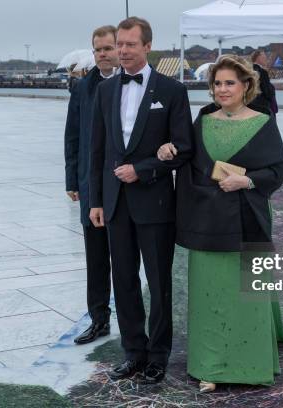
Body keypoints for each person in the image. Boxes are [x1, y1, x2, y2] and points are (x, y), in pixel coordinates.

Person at [157, 54, 283, 392]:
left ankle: (251, 364)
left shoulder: (262, 122)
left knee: (247, 294)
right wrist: (168, 150)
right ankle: (210, 366)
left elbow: (276, 170)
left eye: (230, 82)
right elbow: (188, 158)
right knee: (210, 295)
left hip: (249, 218)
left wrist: (246, 182)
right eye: (217, 83)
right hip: (208, 220)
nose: (222, 89)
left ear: (247, 85)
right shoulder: (202, 120)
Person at [89, 16, 194, 384]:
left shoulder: (172, 91)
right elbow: (98, 151)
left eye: (130, 44)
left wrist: (144, 168)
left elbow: (184, 148)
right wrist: (96, 201)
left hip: (155, 204)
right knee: (125, 282)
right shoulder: (104, 91)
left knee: (159, 282)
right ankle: (133, 351)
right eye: (119, 44)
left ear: (147, 46)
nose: (122, 50)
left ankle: (158, 355)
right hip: (115, 204)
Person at [64, 25, 120, 346]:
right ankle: (99, 319)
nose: (103, 54)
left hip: (124, 186)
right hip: (91, 187)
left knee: (125, 258)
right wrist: (73, 179)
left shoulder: (130, 84)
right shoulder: (83, 87)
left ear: (119, 49)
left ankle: (132, 319)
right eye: (98, 49)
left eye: (108, 48)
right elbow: (72, 135)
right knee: (96, 258)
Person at [250, 50, 278, 114]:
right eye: (264, 56)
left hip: (250, 105)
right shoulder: (262, 72)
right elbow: (267, 91)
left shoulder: (248, 70)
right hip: (262, 107)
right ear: (258, 57)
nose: (266, 58)